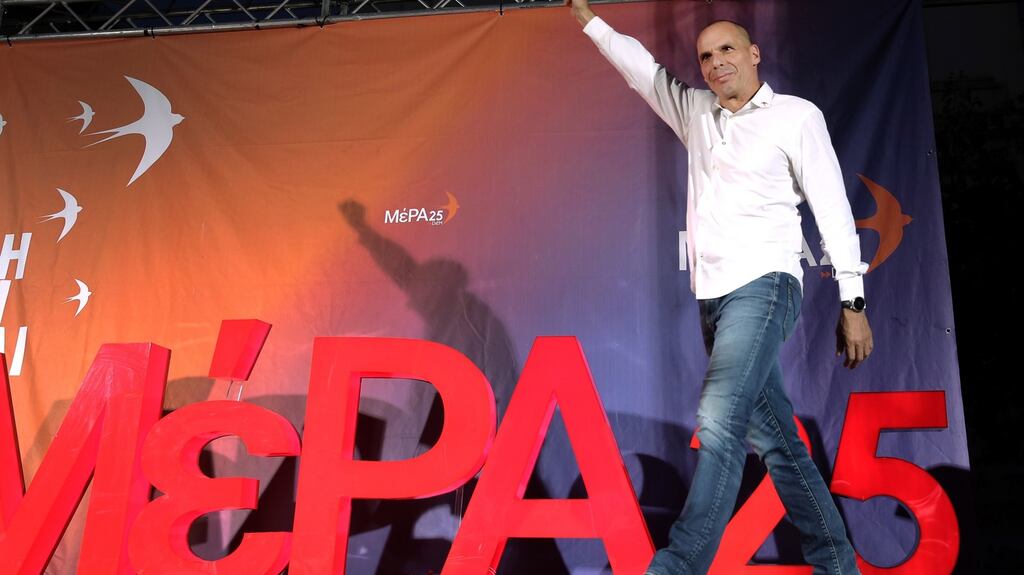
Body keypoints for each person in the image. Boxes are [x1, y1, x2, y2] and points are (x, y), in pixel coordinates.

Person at [568, 2, 872, 574]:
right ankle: (837, 563)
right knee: (776, 441)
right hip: (714, 298)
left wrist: (852, 298)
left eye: (727, 49)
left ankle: (678, 566)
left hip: (766, 285)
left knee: (719, 418)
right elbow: (642, 70)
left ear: (754, 54)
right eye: (706, 56)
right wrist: (588, 18)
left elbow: (832, 207)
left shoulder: (795, 116)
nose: (715, 63)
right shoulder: (696, 113)